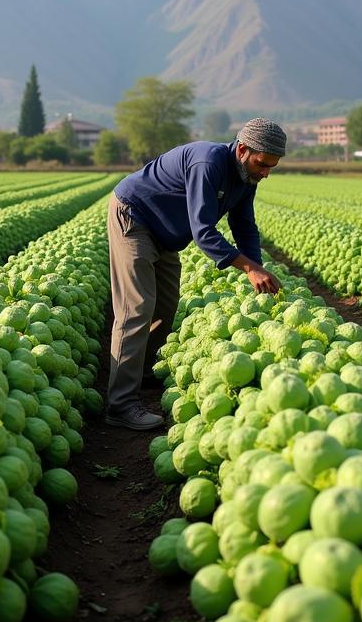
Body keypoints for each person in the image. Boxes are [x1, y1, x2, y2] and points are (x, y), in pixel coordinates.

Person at [105, 117, 286, 430]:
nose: (266, 172)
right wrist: (248, 268)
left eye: (272, 166)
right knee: (136, 308)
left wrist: (256, 268)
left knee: (166, 304)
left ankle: (142, 372)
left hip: (164, 232)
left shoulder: (246, 179)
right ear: (242, 149)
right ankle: (120, 405)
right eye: (262, 163)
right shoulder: (209, 162)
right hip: (134, 217)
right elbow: (203, 231)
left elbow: (244, 226)